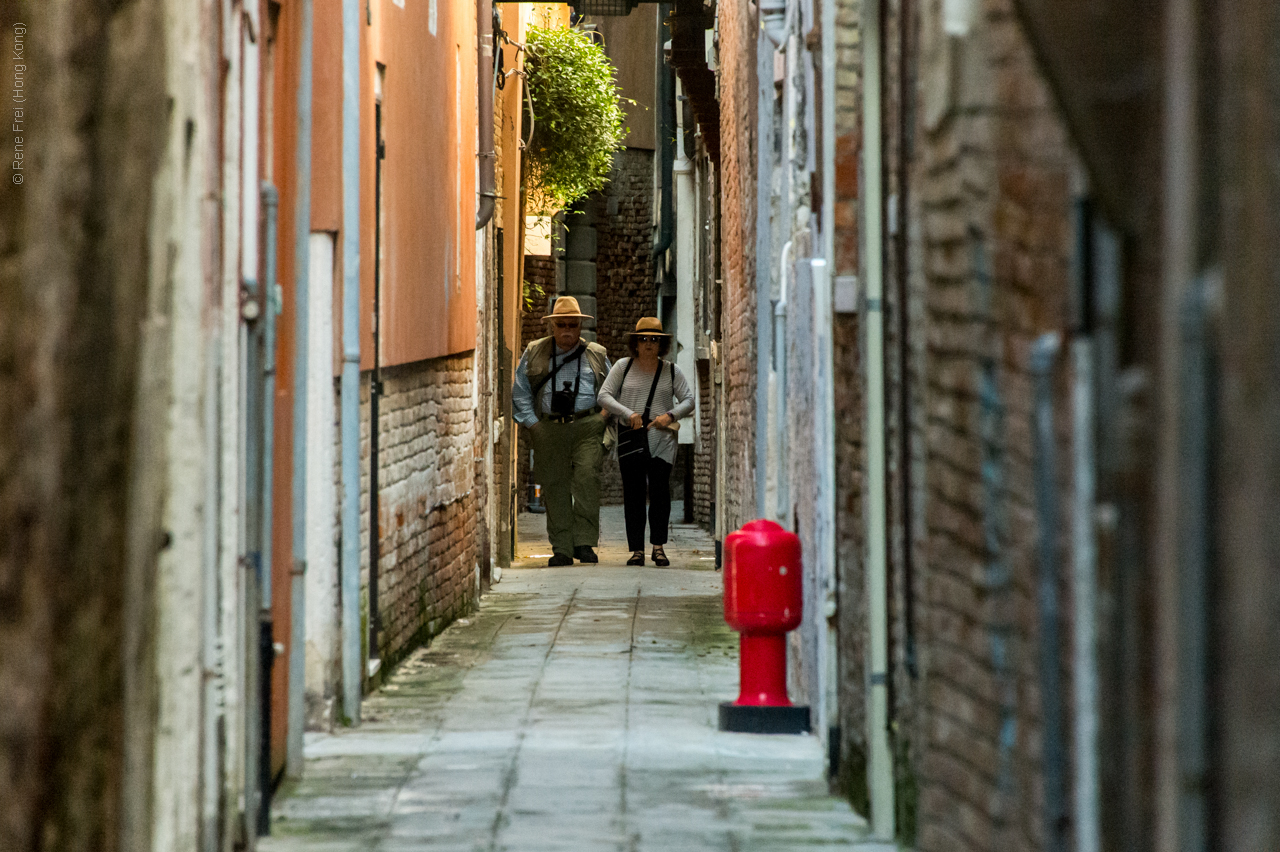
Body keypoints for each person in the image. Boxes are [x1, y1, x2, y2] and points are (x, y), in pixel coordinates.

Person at [512, 296, 613, 566]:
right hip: (548, 427)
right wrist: (533, 424)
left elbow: (613, 390)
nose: (567, 330)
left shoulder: (597, 354)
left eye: (572, 324)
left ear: (580, 327)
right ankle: (562, 549)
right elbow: (520, 390)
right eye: (561, 324)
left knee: (586, 480)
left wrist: (603, 417)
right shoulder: (535, 351)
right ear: (552, 326)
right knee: (555, 486)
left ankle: (584, 543)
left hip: (587, 426)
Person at [597, 317, 694, 567]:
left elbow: (689, 400)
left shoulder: (671, 370)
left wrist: (670, 415)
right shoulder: (622, 367)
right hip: (631, 437)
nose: (649, 343)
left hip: (662, 440)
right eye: (643, 339)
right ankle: (637, 550)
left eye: (654, 339)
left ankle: (659, 548)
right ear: (636, 343)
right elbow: (604, 396)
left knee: (661, 494)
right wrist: (627, 413)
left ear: (661, 344)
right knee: (634, 494)